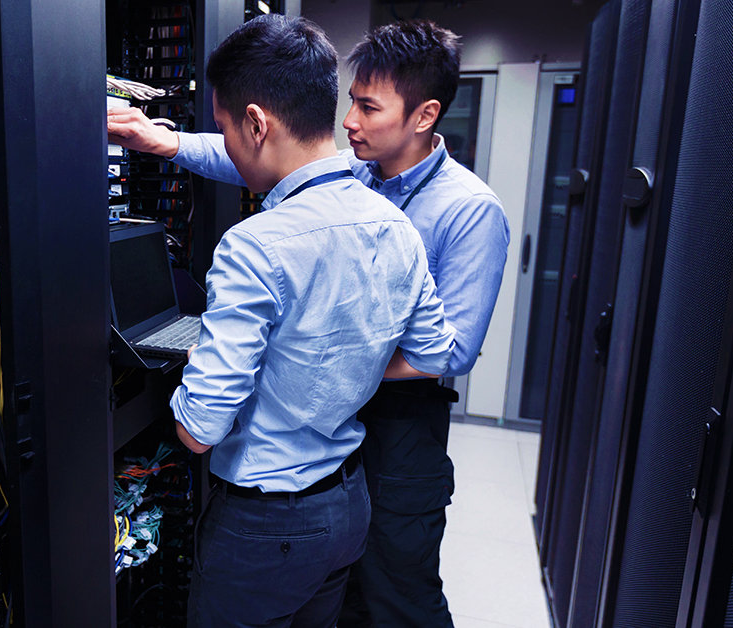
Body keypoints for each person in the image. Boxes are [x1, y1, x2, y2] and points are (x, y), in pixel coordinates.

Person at [109, 19, 509, 628]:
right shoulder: (379, 201)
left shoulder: (464, 210)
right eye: (351, 101)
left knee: (403, 596)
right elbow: (269, 152)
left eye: (369, 106)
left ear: (424, 115)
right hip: (341, 481)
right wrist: (163, 142)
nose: (352, 121)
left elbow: (199, 430)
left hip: (338, 476)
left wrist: (291, 359)